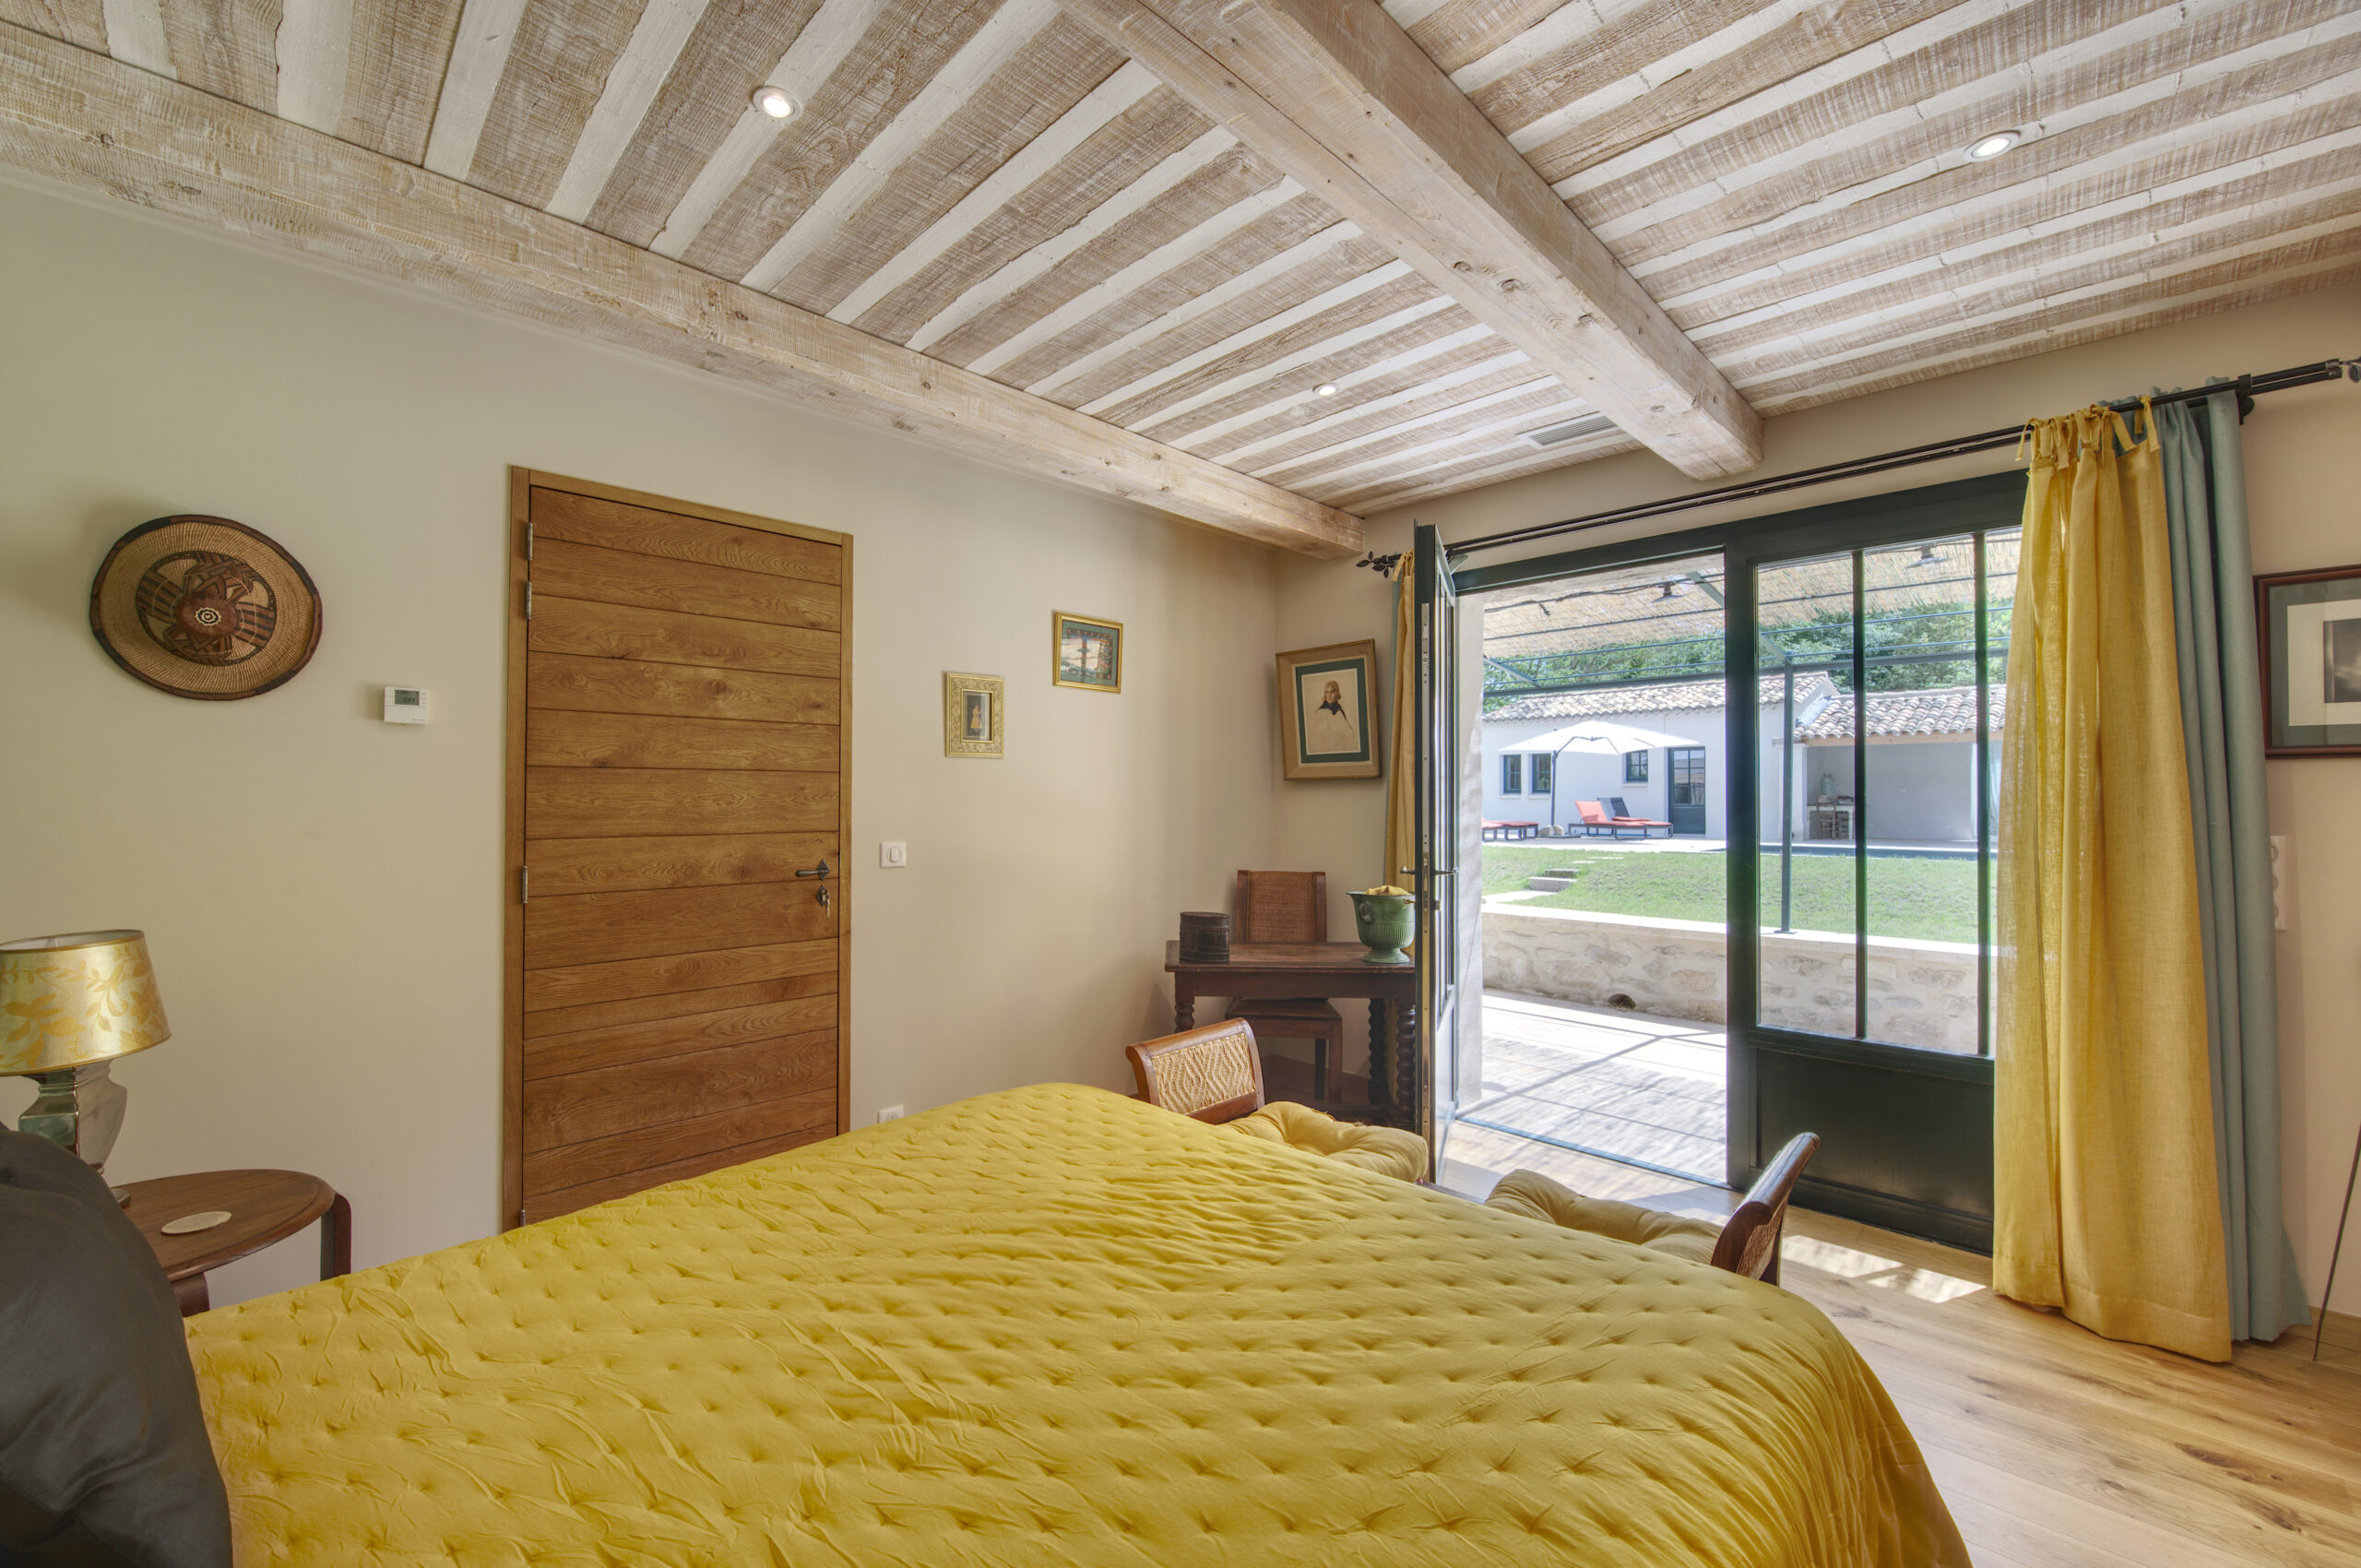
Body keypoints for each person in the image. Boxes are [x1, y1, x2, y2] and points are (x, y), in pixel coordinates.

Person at [1304, 676, 1360, 755]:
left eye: (1332, 692)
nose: (1329, 695)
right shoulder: (1319, 713)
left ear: (1337, 694)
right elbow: (1312, 737)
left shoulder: (1339, 711)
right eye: (1327, 692)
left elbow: (1351, 734)